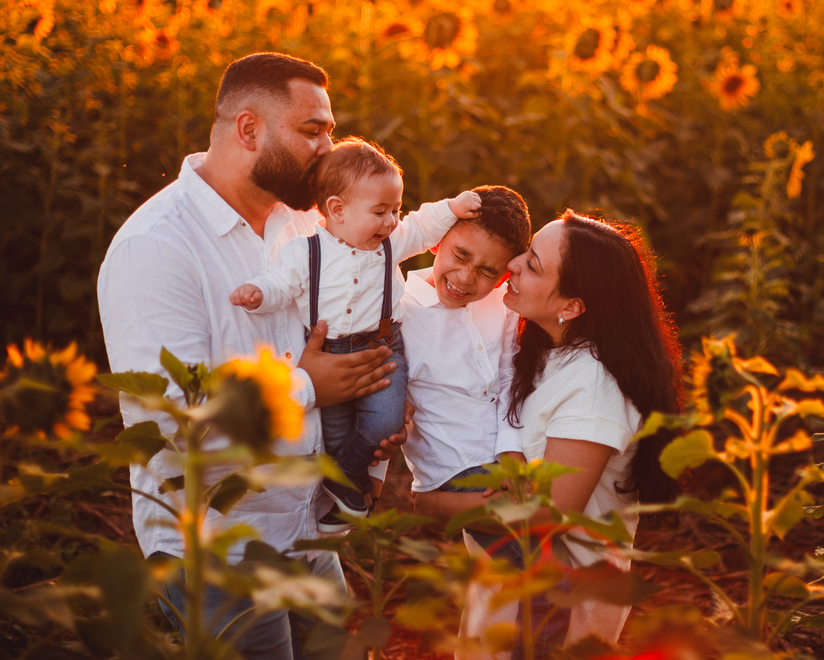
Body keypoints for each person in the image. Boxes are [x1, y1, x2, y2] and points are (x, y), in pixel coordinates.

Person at [97, 52, 404, 660]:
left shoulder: (305, 224)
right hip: (219, 549)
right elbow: (168, 428)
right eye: (313, 131)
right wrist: (309, 387)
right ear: (248, 130)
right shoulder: (155, 249)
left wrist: (369, 411)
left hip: (306, 531)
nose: (328, 148)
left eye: (332, 131)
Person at [413, 210, 683, 659]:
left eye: (533, 263)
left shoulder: (594, 384)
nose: (512, 265)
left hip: (553, 610)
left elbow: (546, 517)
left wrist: (433, 504)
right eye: (525, 252)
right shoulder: (546, 349)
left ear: (572, 306)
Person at [230, 136, 483, 529]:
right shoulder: (305, 252)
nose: (391, 221)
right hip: (328, 353)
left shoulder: (389, 244)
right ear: (337, 210)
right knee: (334, 430)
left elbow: (421, 226)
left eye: (395, 209)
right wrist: (258, 293)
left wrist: (451, 208)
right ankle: (343, 498)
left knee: (386, 422)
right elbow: (280, 284)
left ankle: (345, 478)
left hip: (382, 348)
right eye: (381, 211)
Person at [398, 185, 531, 499]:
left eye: (486, 272)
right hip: (452, 468)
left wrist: (511, 449)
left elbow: (511, 378)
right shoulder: (400, 313)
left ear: (502, 278)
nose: (465, 278)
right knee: (524, 532)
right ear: (437, 241)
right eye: (461, 255)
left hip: (508, 452)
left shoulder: (505, 305)